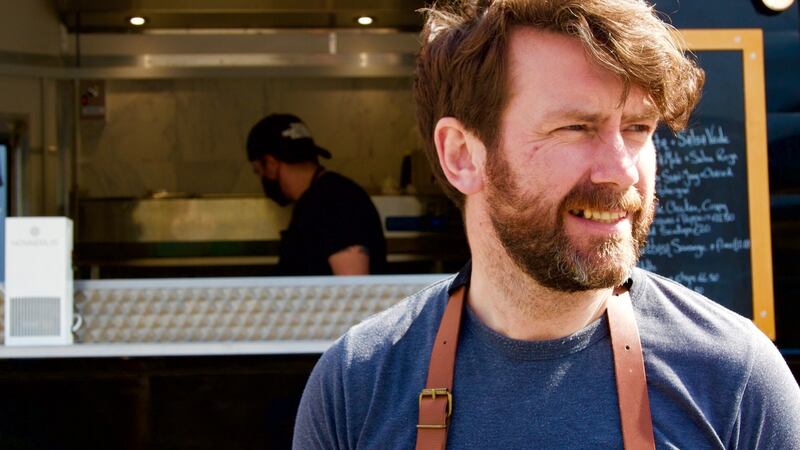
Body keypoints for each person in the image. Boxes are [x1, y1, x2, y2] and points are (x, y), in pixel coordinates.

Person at [293, 0, 800, 448]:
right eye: (576, 127)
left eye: (638, 128)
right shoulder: (355, 387)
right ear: (463, 155)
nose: (623, 170)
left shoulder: (736, 380)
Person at [246, 113, 386, 276]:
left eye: (258, 171)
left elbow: (354, 289)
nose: (261, 178)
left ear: (270, 164)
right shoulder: (318, 200)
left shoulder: (335, 201)